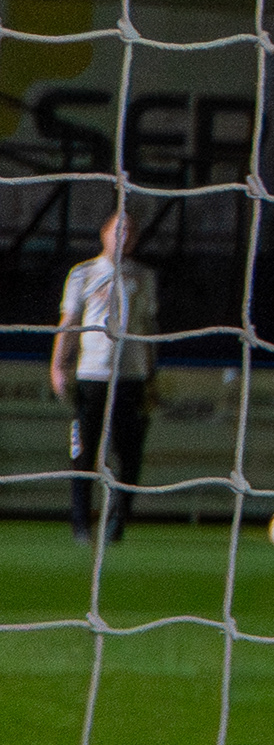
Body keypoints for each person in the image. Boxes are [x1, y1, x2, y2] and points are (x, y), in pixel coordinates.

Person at [47, 207, 158, 544]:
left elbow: (149, 328)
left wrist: (151, 376)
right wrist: (58, 366)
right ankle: (81, 524)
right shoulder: (84, 273)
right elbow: (69, 323)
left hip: (130, 377)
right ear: (104, 234)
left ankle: (116, 524)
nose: (125, 236)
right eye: (118, 229)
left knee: (129, 454)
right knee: (83, 454)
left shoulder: (144, 276)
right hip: (92, 375)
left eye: (131, 231)